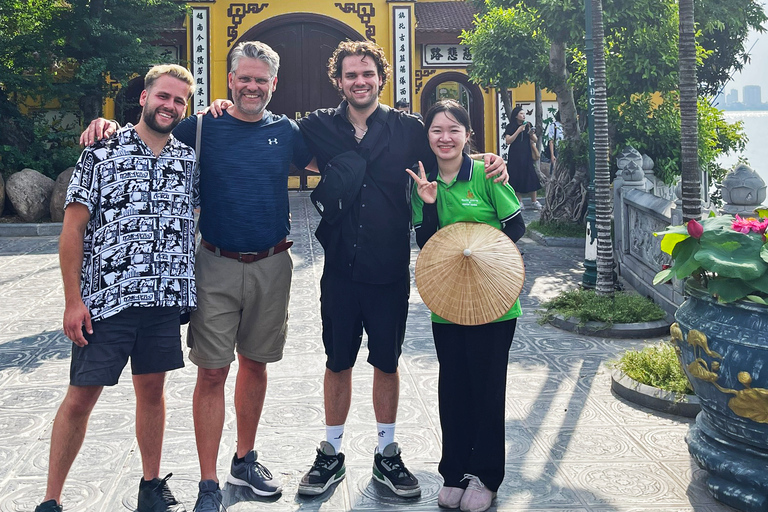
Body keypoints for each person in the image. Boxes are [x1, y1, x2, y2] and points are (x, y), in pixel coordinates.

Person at [80, 41, 315, 512]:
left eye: (261, 80)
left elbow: (330, 161)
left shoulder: (287, 131)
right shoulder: (201, 127)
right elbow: (151, 130)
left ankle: (244, 459)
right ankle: (208, 483)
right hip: (214, 263)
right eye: (244, 78)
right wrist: (106, 126)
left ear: (274, 84)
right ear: (230, 80)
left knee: (256, 363)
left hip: (272, 263)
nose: (252, 86)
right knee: (211, 371)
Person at [294, 41, 507, 498]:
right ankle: (331, 453)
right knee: (337, 360)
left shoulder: (408, 129)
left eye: (367, 73)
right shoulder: (317, 126)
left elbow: (447, 146)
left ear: (380, 77)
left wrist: (491, 159)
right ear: (339, 81)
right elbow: (273, 137)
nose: (359, 81)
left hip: (389, 266)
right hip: (339, 268)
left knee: (386, 361)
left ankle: (387, 453)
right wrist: (220, 107)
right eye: (350, 75)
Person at [36, 64, 198, 512]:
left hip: (164, 299)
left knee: (152, 391)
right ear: (144, 97)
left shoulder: (186, 159)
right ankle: (51, 498)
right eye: (163, 96)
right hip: (107, 301)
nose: (169, 105)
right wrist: (73, 300)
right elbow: (72, 231)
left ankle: (150, 486)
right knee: (82, 395)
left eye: (179, 100)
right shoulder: (101, 151)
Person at [407, 100, 525, 512]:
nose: (445, 137)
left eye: (453, 130)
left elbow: (516, 227)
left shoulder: (488, 174)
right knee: (453, 387)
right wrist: (430, 201)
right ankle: (454, 471)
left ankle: (486, 475)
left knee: (487, 388)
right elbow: (427, 244)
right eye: (437, 130)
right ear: (428, 136)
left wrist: (485, 255)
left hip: (494, 304)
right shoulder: (421, 181)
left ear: (467, 134)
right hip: (448, 302)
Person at [504, 105, 541, 210]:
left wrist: (531, 133)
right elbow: (508, 141)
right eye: (521, 113)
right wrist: (519, 130)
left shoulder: (528, 125)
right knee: (515, 177)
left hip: (527, 154)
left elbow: (535, 140)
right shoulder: (510, 126)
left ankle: (534, 201)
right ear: (516, 116)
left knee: (531, 176)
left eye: (524, 114)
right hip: (515, 155)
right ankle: (519, 201)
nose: (523, 115)